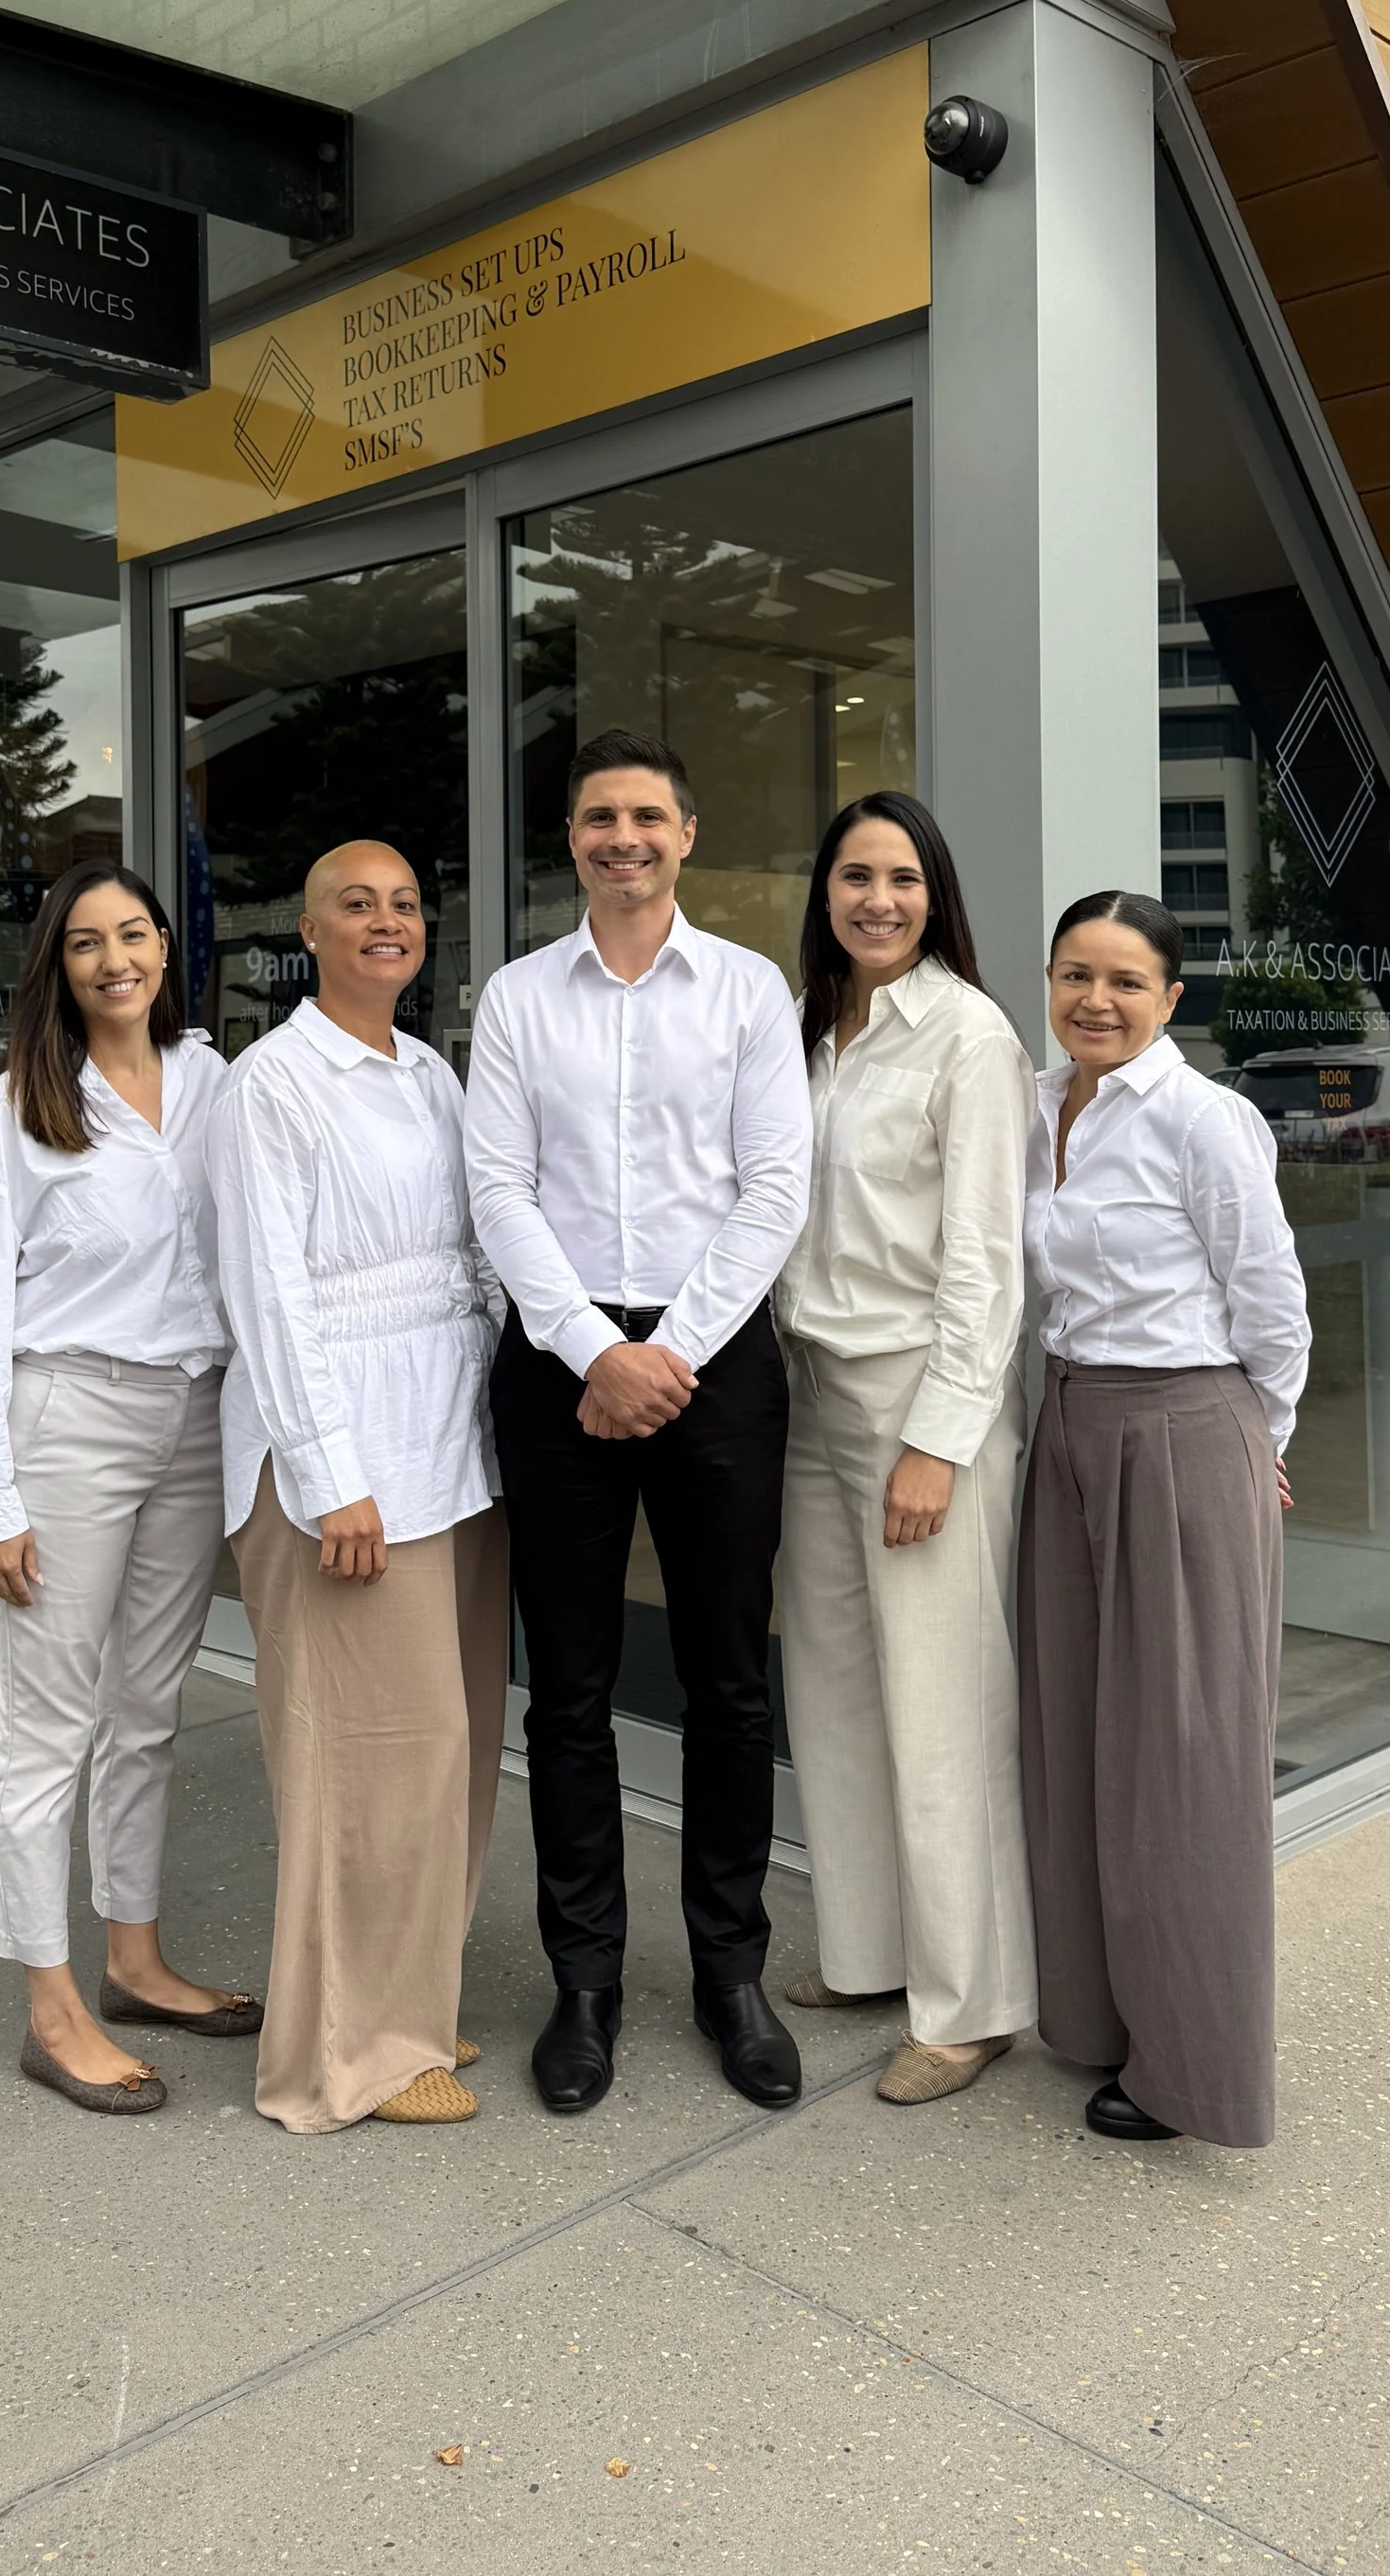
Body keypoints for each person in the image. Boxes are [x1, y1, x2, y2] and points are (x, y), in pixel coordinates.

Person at [465, 730, 813, 2115]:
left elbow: (774, 1187)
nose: (625, 837)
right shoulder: (514, 998)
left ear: (685, 832)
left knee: (730, 1683)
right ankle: (587, 1981)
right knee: (570, 1692)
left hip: (713, 1355)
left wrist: (662, 1352)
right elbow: (497, 1190)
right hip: (560, 1360)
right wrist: (594, 1350)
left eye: (648, 816)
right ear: (572, 837)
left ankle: (732, 1974)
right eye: (601, 817)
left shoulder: (746, 988)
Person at [0, 863, 259, 2116]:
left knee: (149, 1707)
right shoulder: (18, 1109)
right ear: (56, 967)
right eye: (86, 943)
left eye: (133, 934)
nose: (114, 958)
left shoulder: (218, 1083)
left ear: (169, 948)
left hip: (191, 1420)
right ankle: (50, 2004)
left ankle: (135, 1957)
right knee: (48, 1729)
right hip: (66, 1418)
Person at [211, 843, 508, 2132]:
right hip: (348, 1465)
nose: (386, 922)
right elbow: (267, 1294)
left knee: (448, 1756)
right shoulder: (269, 1085)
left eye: (404, 905)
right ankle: (346, 2052)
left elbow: (474, 1254)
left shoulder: (431, 1072)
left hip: (454, 1452)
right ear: (307, 930)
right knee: (362, 1765)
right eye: (355, 903)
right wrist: (330, 1478)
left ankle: (411, 2006)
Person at [1020, 890, 1310, 2148]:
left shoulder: (1203, 1119)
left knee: (1185, 1763)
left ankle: (1194, 2071)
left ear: (1171, 999)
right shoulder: (1038, 1109)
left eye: (1126, 981)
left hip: (1186, 1432)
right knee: (1076, 1733)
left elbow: (1273, 1299)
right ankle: (1094, 2020)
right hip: (1070, 1428)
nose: (1097, 999)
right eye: (1076, 974)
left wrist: (1258, 1446)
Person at [774, 793, 1038, 2104]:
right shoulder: (816, 1028)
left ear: (936, 895)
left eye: (902, 878)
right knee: (833, 1688)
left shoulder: (970, 1036)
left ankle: (974, 1998)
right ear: (824, 892)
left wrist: (941, 1439)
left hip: (916, 1401)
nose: (877, 899)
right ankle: (871, 1951)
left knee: (945, 1704)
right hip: (811, 1389)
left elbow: (989, 1263)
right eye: (854, 877)